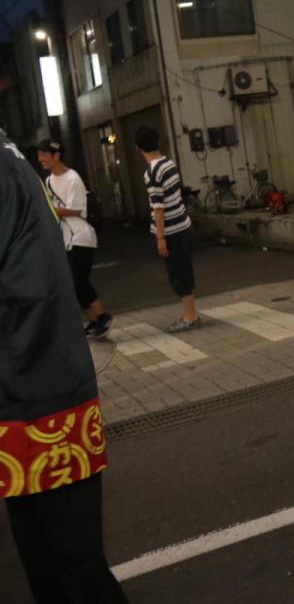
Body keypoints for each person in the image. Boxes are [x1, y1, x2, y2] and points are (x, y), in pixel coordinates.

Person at [1, 128, 129, 603]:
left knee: (71, 570)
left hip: (36, 397)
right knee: (50, 566)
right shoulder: (12, 162)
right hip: (36, 390)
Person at [36, 139, 113, 340]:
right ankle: (94, 321)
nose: (40, 159)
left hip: (82, 235)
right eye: (39, 154)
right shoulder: (49, 181)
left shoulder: (73, 178)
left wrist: (51, 210)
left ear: (56, 155)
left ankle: (103, 316)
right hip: (66, 238)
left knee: (77, 279)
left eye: (44, 154)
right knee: (73, 282)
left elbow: (77, 209)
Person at [135, 126, 201, 332]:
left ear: (138, 148)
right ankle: (191, 313)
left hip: (171, 230)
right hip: (183, 224)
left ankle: (191, 317)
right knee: (185, 270)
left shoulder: (152, 172)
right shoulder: (169, 163)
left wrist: (160, 238)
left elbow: (158, 207)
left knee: (178, 273)